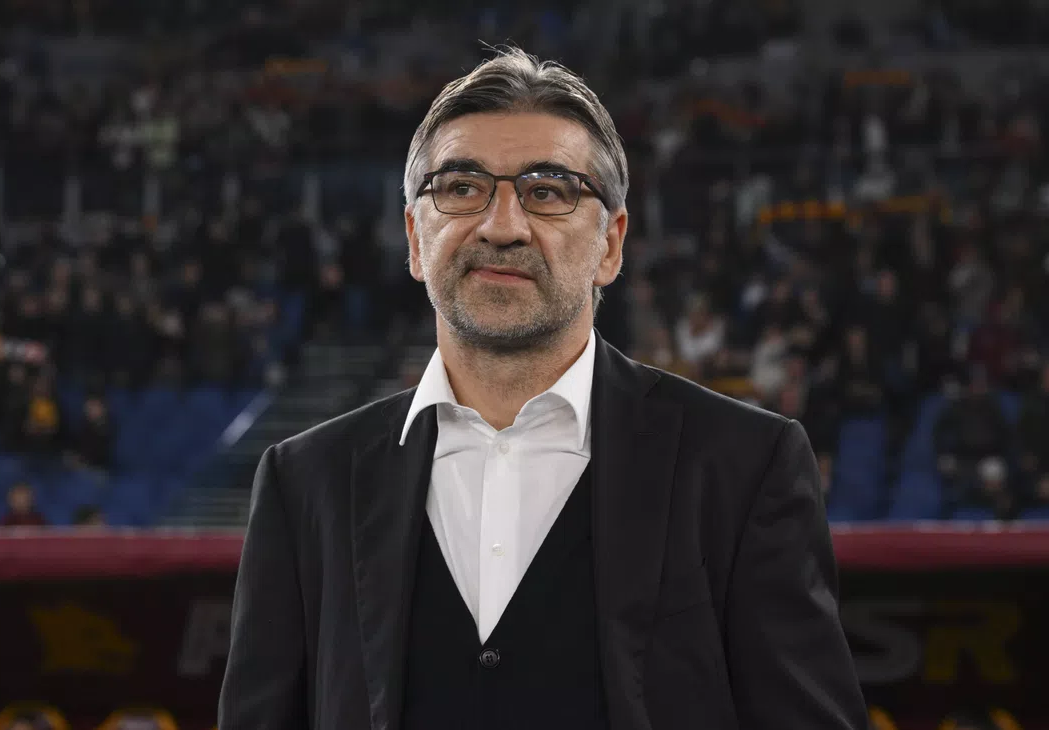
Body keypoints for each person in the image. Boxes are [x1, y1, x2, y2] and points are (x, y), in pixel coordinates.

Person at [219, 48, 867, 730]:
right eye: (461, 188)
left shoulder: (745, 466)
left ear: (611, 245)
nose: (502, 226)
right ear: (414, 237)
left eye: (548, 192)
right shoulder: (305, 483)